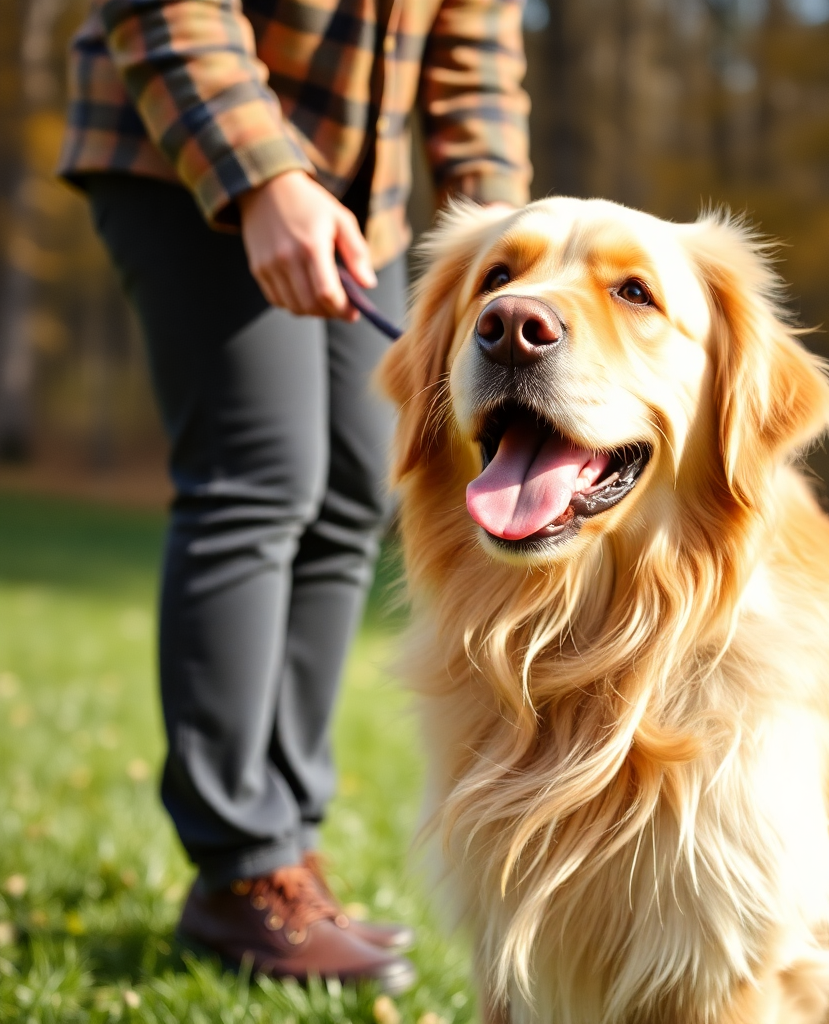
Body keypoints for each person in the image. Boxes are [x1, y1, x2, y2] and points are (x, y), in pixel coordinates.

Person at [57, 0, 531, 992]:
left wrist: (509, 243)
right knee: (262, 469)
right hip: (186, 137)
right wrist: (265, 176)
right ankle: (239, 869)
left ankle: (288, 847)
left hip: (365, 195)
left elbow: (474, 51)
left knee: (364, 476)